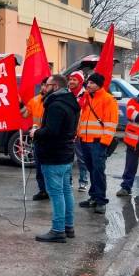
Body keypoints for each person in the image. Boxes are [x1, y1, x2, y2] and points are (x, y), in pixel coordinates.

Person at [31, 75, 80, 243]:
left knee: (57, 193)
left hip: (54, 155)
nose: (44, 88)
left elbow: (52, 132)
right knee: (65, 191)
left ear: (56, 86)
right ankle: (68, 226)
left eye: (47, 85)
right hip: (65, 153)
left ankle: (58, 230)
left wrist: (35, 133)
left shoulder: (56, 105)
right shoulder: (70, 101)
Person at [77, 73, 118, 215]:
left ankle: (100, 201)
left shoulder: (108, 100)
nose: (88, 85)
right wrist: (79, 135)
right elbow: (82, 119)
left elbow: (111, 124)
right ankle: (93, 197)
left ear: (99, 85)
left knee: (98, 172)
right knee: (92, 170)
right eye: (88, 82)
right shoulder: (87, 98)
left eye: (92, 83)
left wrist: (104, 143)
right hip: (85, 141)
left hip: (98, 143)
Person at [22, 78, 48, 201]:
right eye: (43, 85)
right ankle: (42, 190)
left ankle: (52, 190)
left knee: (50, 167)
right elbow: (25, 114)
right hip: (38, 138)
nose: (44, 88)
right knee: (39, 167)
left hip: (51, 139)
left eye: (46, 85)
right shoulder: (35, 100)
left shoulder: (55, 101)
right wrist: (19, 103)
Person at [68, 71, 89, 192]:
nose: (71, 81)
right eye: (70, 79)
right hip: (67, 132)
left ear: (80, 82)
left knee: (82, 159)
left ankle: (83, 181)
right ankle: (68, 181)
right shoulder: (66, 94)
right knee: (68, 158)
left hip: (81, 132)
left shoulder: (86, 95)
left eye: (74, 79)